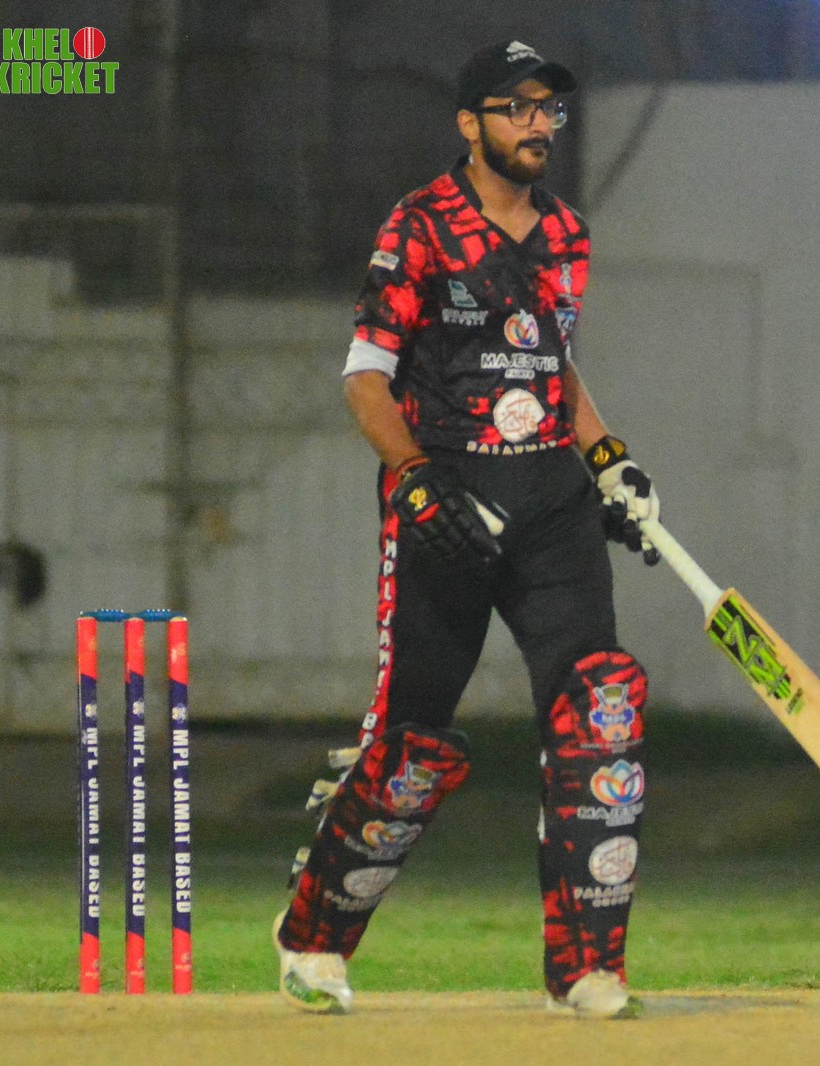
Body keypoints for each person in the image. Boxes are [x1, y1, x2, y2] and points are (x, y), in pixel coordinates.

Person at [272, 39, 659, 1019]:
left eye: (547, 108)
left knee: (600, 711)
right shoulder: (418, 226)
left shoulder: (566, 233)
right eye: (514, 107)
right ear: (468, 123)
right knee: (410, 747)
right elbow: (365, 378)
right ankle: (313, 936)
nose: (537, 124)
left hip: (553, 502)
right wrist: (412, 479)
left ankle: (585, 966)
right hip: (449, 503)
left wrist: (611, 462)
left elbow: (553, 366)